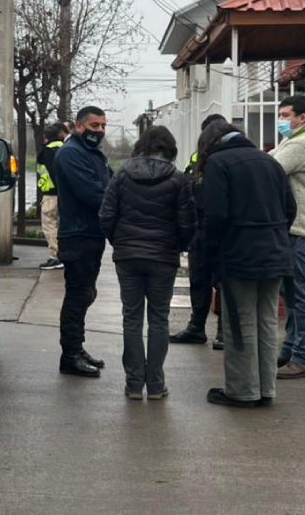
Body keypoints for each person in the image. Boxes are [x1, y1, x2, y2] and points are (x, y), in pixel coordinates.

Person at [198, 122, 296, 408]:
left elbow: (216, 215)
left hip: (239, 254)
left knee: (239, 322)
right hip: (275, 252)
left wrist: (211, 253)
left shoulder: (218, 162)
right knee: (266, 321)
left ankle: (242, 391)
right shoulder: (270, 161)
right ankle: (266, 388)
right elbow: (290, 208)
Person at [99, 126, 195, 399]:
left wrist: (119, 242)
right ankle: (155, 384)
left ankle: (133, 384)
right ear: (169, 148)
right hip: (163, 257)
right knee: (158, 319)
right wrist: (178, 246)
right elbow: (187, 222)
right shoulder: (178, 179)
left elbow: (106, 215)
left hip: (128, 256)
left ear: (143, 145)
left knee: (131, 319)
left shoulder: (122, 174)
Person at [53, 106, 112, 378]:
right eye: (94, 125)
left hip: (91, 234)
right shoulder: (71, 154)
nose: (99, 130)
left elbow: (108, 187)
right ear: (79, 126)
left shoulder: (92, 154)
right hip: (78, 235)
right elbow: (93, 194)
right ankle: (71, 354)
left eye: (102, 126)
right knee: (78, 295)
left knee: (86, 293)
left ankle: (77, 347)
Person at [271, 95, 305, 379]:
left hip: (298, 229)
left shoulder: (304, 144)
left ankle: (303, 357)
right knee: (290, 294)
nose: (281, 120)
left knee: (300, 295)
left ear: (302, 118)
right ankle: (291, 348)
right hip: (293, 229)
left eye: (285, 115)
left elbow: (269, 169)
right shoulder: (294, 142)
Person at [171, 113, 227, 350]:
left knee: (222, 283)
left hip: (220, 231)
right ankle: (197, 328)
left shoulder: (226, 159)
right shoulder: (197, 159)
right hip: (201, 230)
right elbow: (186, 186)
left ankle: (223, 332)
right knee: (200, 281)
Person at [36, 123, 69, 270]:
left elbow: (51, 173)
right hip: (66, 196)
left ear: (46, 137)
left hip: (50, 195)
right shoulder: (67, 149)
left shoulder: (47, 151)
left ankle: (55, 257)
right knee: (63, 226)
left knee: (50, 226)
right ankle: (65, 254)